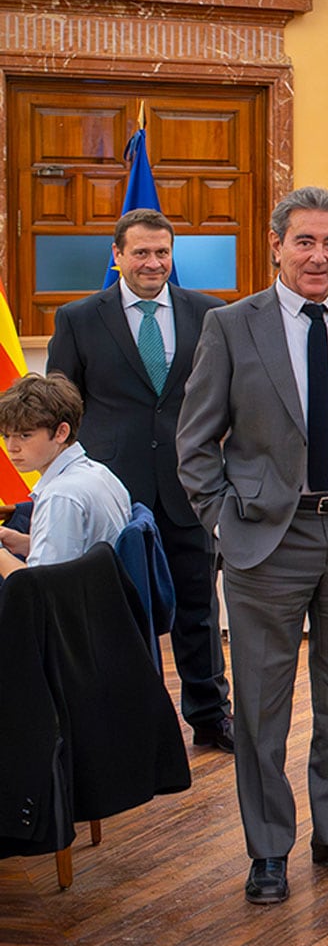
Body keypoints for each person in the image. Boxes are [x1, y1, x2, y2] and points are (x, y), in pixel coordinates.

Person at [176, 186, 328, 906]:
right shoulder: (232, 325)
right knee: (259, 706)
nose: (319, 256)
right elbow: (195, 445)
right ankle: (268, 849)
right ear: (277, 245)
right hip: (266, 542)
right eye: (305, 241)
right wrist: (224, 521)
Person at [46, 208, 233, 751]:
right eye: (141, 252)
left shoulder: (210, 314)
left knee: (199, 610)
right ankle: (132, 729)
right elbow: (62, 405)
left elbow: (230, 396)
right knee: (118, 616)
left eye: (162, 253)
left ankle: (211, 718)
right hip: (113, 497)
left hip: (190, 490)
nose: (153, 262)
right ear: (117, 256)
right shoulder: (79, 318)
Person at [0, 373, 131, 577]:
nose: (11, 447)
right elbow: (79, 551)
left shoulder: (61, 496)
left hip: (80, 605)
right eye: (6, 436)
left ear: (61, 432)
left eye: (25, 435)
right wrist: (26, 543)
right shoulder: (98, 472)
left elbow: (39, 588)